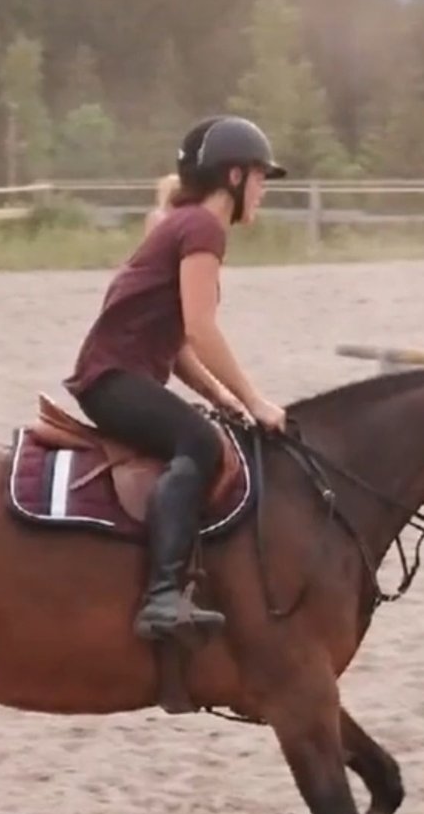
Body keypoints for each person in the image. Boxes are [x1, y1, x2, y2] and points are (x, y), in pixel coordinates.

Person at [64, 115, 288, 641]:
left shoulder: (182, 225)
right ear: (233, 177)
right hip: (113, 378)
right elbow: (201, 327)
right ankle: (162, 596)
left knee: (205, 429)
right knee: (201, 444)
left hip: (114, 375)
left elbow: (179, 345)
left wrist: (224, 397)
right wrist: (256, 401)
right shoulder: (203, 229)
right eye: (259, 178)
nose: (262, 191)